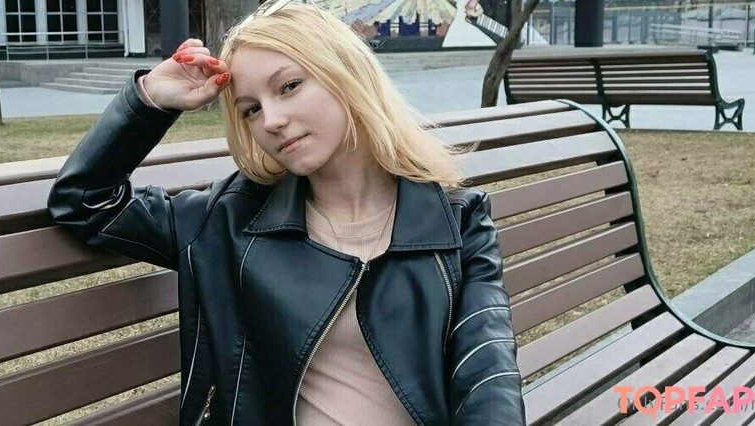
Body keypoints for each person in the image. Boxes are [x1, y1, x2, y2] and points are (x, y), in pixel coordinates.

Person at [47, 1, 524, 424]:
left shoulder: (457, 222)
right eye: (251, 109)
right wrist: (150, 98)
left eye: (290, 86)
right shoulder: (228, 220)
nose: (271, 121)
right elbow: (86, 202)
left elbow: (488, 373)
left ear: (346, 74)